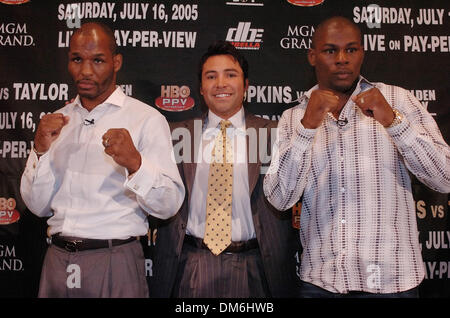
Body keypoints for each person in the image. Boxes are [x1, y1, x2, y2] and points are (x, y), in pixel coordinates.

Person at [263, 16, 450, 298]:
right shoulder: (294, 118)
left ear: (362, 53)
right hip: (321, 283)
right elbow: (279, 197)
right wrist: (308, 127)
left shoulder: (398, 100)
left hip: (392, 283)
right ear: (312, 56)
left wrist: (392, 121)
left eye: (351, 50)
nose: (342, 59)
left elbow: (445, 177)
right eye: (330, 51)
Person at [20, 22, 185, 298]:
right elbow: (37, 206)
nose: (85, 71)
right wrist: (39, 151)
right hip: (57, 259)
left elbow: (168, 206)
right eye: (77, 59)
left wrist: (136, 164)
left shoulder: (146, 119)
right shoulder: (56, 121)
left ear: (116, 62)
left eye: (97, 60)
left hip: (116, 259)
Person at [149, 41, 300, 298]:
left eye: (230, 75)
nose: (221, 84)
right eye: (211, 76)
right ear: (201, 88)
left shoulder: (275, 135)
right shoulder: (176, 135)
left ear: (246, 86)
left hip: (257, 268)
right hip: (191, 265)